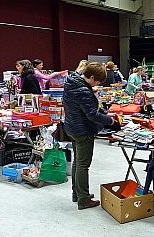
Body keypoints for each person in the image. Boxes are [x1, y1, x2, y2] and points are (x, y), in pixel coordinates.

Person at [63, 62, 115, 210]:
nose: (98, 84)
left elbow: (88, 108)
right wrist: (109, 120)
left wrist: (104, 113)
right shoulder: (84, 91)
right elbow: (91, 114)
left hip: (71, 127)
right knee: (83, 164)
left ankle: (77, 193)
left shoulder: (72, 81)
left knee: (77, 162)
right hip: (83, 131)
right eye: (97, 81)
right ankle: (84, 200)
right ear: (91, 77)